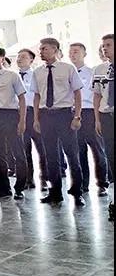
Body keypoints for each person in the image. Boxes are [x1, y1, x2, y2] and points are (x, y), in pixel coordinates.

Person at [31, 38, 85, 206]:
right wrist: (36, 119)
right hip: (46, 115)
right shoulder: (37, 72)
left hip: (64, 114)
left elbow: (77, 93)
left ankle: (77, 192)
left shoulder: (68, 68)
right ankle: (55, 193)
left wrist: (77, 116)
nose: (41, 52)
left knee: (72, 154)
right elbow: (37, 96)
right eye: (40, 49)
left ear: (54, 50)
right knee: (51, 156)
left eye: (44, 49)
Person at [0, 48, 28, 201]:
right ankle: (4, 188)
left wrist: (22, 121)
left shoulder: (12, 76)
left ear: (2, 58)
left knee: (18, 153)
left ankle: (20, 188)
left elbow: (22, 98)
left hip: (11, 115)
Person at [69, 43, 110, 196]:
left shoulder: (93, 72)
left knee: (98, 150)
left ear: (84, 54)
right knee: (78, 151)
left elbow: (98, 95)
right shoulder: (67, 72)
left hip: (90, 113)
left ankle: (102, 184)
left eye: (76, 52)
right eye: (71, 52)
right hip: (73, 113)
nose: (73, 55)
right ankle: (82, 184)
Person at [18, 48, 47, 191]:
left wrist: (38, 117)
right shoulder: (12, 76)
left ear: (31, 60)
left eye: (23, 57)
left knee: (42, 149)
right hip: (19, 115)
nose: (19, 59)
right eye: (18, 57)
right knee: (24, 150)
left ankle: (45, 179)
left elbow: (40, 95)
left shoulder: (37, 75)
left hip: (35, 114)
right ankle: (28, 178)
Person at [93, 34, 115, 221]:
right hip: (107, 118)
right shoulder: (99, 69)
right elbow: (97, 96)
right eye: (103, 46)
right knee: (111, 156)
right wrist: (97, 119)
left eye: (108, 45)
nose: (104, 49)